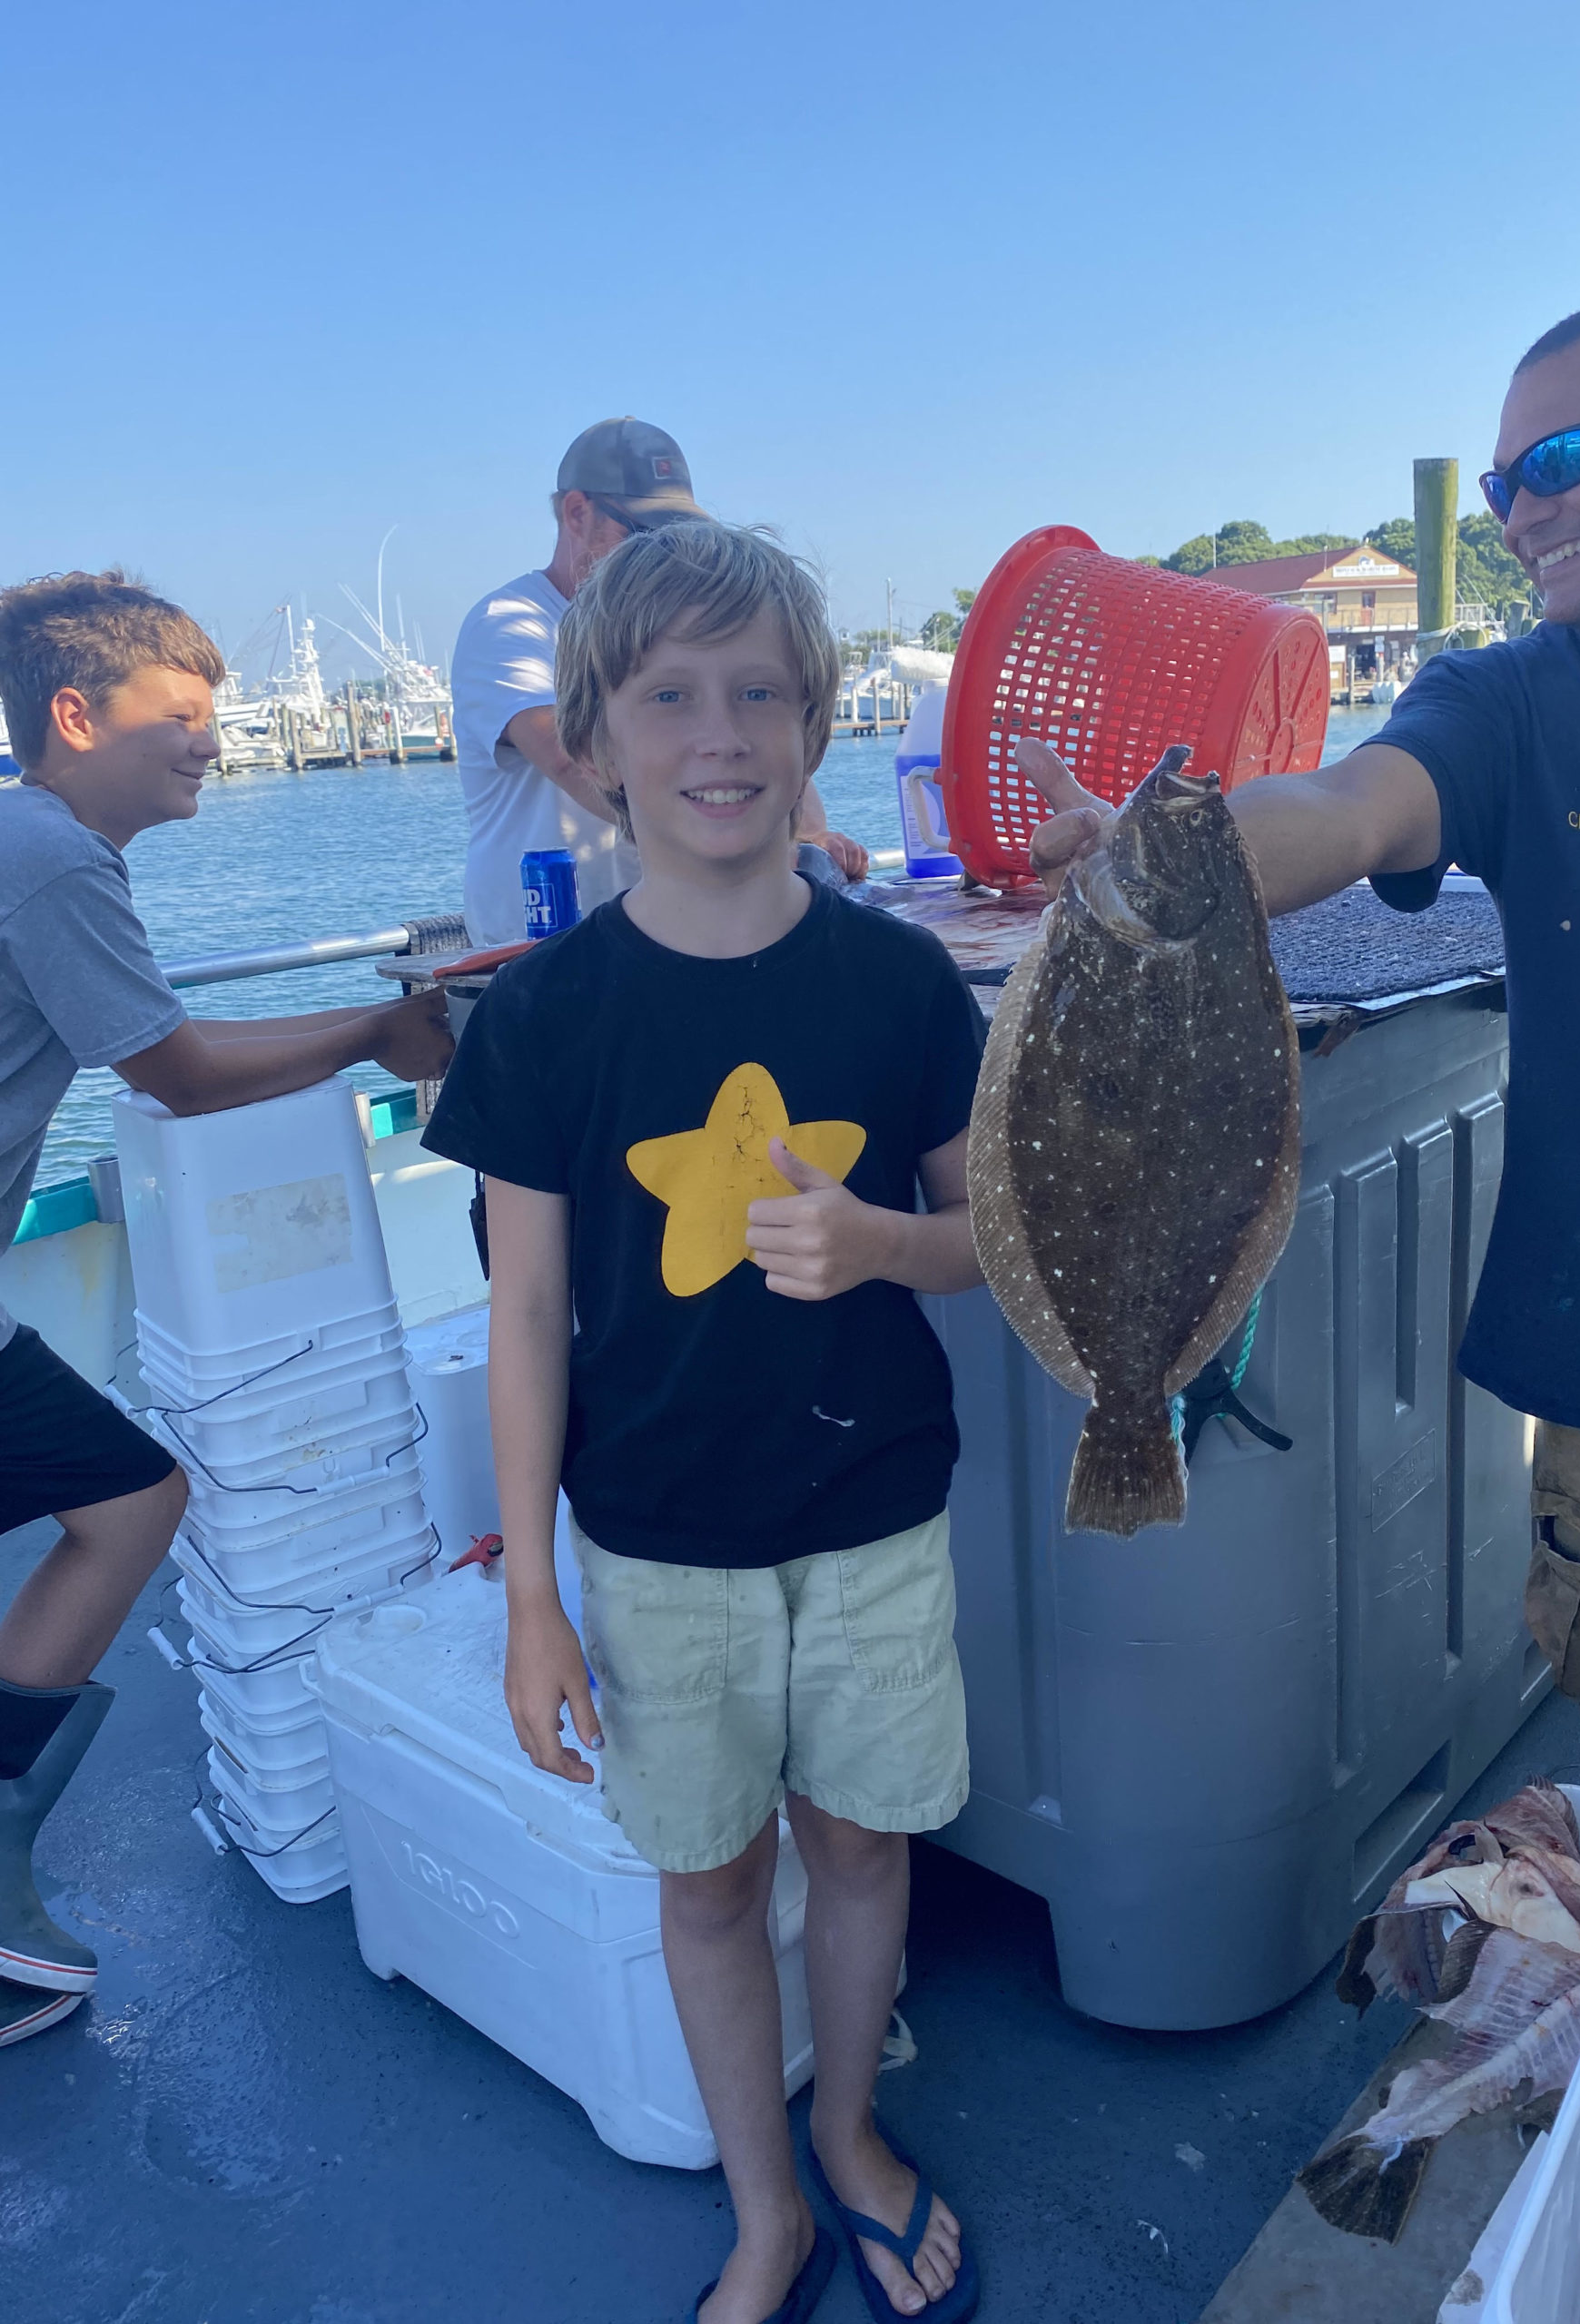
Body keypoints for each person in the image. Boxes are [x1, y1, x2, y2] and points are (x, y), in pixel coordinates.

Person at [1025, 292, 1580, 1825]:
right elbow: (1355, 808)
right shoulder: (1514, 701)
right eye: (1500, 485)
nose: (1523, 508)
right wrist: (1181, 851)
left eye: (1561, 455)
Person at [423, 521, 984, 2324]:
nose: (717, 730)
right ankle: (767, 2201)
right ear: (589, 742)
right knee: (711, 1874)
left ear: (817, 721)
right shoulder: (545, 1017)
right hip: (653, 1541)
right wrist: (532, 1597)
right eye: (667, 694)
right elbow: (521, 1312)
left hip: (877, 1514)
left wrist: (887, 1238)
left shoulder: (903, 985)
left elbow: (998, 1247)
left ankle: (855, 2143)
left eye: (758, 690)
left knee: (865, 1845)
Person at [0, 571, 453, 2046]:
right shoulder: (51, 852)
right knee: (133, 1499)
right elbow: (177, 1071)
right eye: (181, 716)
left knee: (129, 1499)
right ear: (75, 715)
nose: (212, 740)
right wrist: (390, 1027)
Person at [450, 417, 867, 946]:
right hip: (541, 944)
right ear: (578, 512)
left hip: (679, 935)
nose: (663, 549)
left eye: (680, 532)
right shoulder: (509, 622)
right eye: (645, 531)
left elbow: (752, 735)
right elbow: (563, 753)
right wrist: (728, 844)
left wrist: (806, 836)